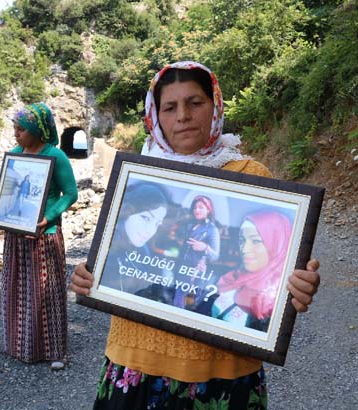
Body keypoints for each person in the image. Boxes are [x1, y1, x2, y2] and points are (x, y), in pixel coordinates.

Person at [70, 61, 321, 409]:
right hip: (135, 360)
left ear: (215, 106)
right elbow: (120, 254)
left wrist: (296, 286)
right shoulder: (136, 177)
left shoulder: (251, 175)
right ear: (155, 116)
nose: (183, 116)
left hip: (222, 370)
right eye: (169, 107)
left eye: (195, 103)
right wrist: (90, 276)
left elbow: (275, 264)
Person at [1, 102, 78, 371]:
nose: (16, 134)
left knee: (48, 292)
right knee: (17, 288)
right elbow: (8, 191)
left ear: (36, 130)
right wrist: (1, 210)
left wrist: (50, 216)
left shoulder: (56, 156)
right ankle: (19, 345)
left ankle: (56, 351)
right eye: (15, 128)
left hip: (45, 234)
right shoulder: (15, 154)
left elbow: (70, 193)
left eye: (21, 129)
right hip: (17, 232)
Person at [212, 211, 292, 332]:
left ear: (277, 243)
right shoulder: (230, 280)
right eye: (242, 240)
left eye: (256, 241)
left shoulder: (284, 296)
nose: (245, 249)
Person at [98, 182, 169, 295]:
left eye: (157, 224)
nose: (150, 231)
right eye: (145, 218)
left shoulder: (144, 252)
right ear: (127, 211)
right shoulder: (104, 248)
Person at [174, 195, 220, 310]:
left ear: (208, 210)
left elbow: (215, 255)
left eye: (201, 207)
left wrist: (205, 247)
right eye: (195, 208)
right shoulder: (190, 225)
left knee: (189, 306)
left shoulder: (212, 229)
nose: (196, 210)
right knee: (176, 303)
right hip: (181, 271)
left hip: (195, 275)